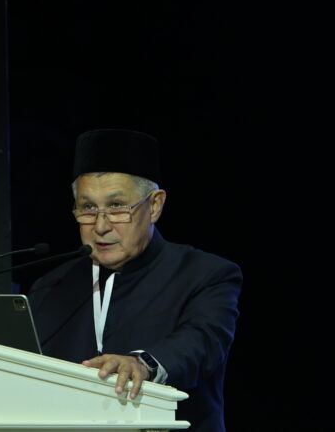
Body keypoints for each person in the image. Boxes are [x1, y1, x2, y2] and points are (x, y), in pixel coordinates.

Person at [28, 128, 242, 432]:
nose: (101, 226)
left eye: (117, 206)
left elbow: (201, 342)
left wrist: (143, 364)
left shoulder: (204, 274)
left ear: (154, 206)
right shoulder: (51, 287)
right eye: (88, 208)